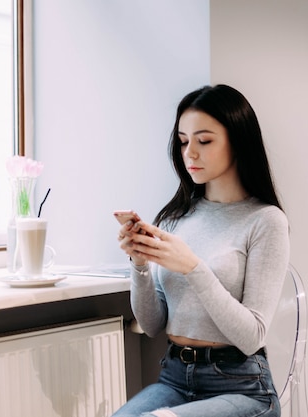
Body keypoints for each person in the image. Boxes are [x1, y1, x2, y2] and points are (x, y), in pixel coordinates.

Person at [113, 84, 290, 417]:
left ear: (238, 141)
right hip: (175, 380)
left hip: (243, 388)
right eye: (183, 141)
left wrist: (193, 267)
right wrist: (138, 264)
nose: (189, 153)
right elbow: (152, 326)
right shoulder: (176, 218)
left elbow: (251, 336)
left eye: (204, 141)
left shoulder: (266, 221)